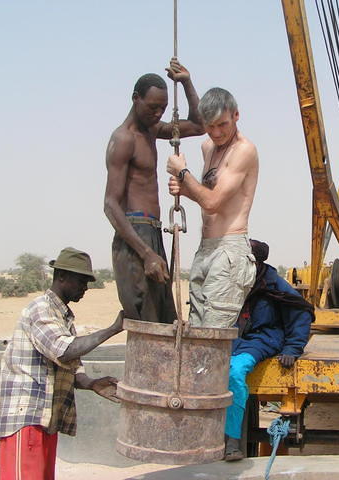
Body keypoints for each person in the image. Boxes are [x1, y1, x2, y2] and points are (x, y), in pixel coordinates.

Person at [0, 247, 125, 480]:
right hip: (27, 418)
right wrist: (113, 329)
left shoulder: (62, 316)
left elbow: (70, 366)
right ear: (61, 276)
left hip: (45, 418)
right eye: (81, 281)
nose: (85, 288)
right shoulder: (41, 309)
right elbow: (64, 352)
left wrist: (91, 383)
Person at [104, 59, 204, 323]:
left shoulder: (152, 130)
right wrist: (146, 253)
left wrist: (186, 81)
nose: (158, 114)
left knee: (163, 319)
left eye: (162, 108)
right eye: (152, 107)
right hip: (135, 235)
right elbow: (110, 205)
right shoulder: (123, 139)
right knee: (147, 322)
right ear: (135, 99)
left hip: (152, 232)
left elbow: (199, 124)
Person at [167, 87, 258, 328]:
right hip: (205, 249)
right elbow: (206, 192)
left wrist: (183, 173)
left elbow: (212, 202)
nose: (216, 132)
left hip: (229, 250)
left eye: (222, 124)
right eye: (210, 126)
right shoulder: (207, 147)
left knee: (212, 336)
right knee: (196, 333)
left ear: (236, 115)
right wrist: (183, 189)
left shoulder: (243, 150)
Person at [223, 239, 314, 461]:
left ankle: (232, 442)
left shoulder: (272, 284)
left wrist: (292, 348)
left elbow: (300, 312)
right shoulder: (229, 281)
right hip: (230, 338)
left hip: (260, 339)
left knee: (234, 373)